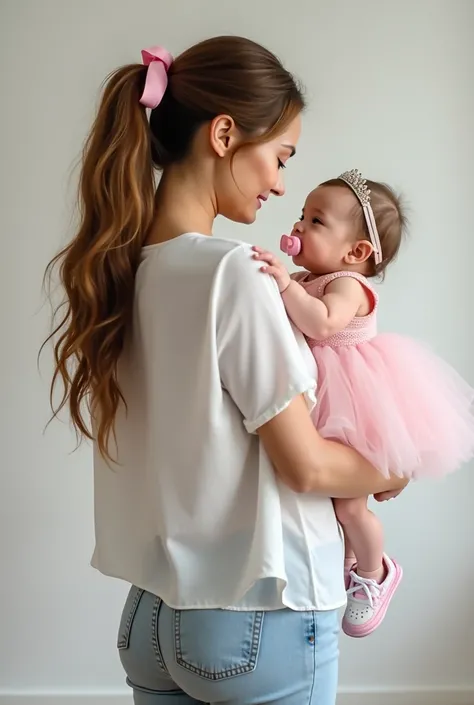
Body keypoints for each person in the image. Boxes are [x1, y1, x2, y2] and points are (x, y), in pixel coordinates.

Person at [44, 38, 407, 705]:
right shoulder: (232, 273)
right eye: (280, 157)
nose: (281, 183)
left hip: (152, 617)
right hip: (257, 617)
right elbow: (306, 467)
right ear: (223, 135)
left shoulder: (121, 270)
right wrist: (396, 467)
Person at [254, 169, 474, 639]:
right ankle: (351, 558)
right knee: (329, 503)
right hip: (320, 394)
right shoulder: (307, 277)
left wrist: (284, 285)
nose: (297, 227)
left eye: (315, 221)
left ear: (356, 253)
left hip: (352, 400)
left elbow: (323, 325)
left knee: (350, 507)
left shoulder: (346, 286)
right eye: (301, 215)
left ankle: (375, 573)